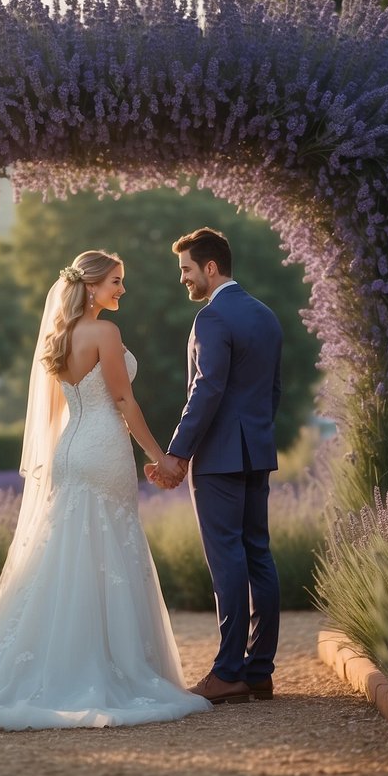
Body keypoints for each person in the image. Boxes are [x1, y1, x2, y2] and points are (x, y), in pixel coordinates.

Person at [0, 250, 212, 730]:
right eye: (116, 281)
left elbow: (52, 416)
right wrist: (161, 457)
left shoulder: (59, 336)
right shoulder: (105, 333)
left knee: (68, 552)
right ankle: (104, 668)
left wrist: (52, 465)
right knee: (108, 548)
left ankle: (53, 665)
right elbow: (123, 399)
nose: (122, 290)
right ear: (91, 286)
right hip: (103, 449)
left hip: (71, 450)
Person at [147, 227, 283, 706]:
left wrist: (177, 454)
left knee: (227, 558)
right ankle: (259, 671)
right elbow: (273, 393)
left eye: (186, 269)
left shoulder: (212, 317)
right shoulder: (266, 316)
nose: (182, 278)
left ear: (210, 267)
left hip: (220, 459)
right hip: (257, 454)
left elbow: (205, 390)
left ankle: (228, 673)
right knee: (258, 555)